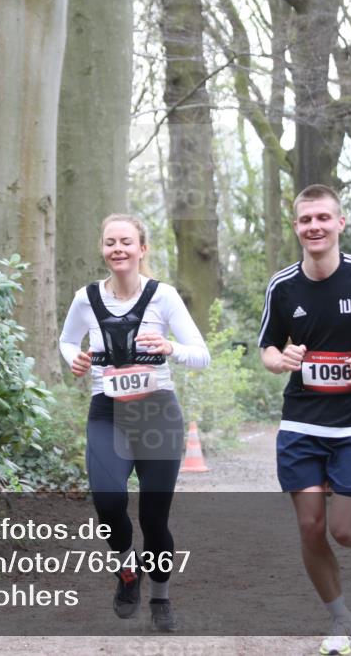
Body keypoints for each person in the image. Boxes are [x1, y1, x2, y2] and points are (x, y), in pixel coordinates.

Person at [258, 184, 351, 655]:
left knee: (343, 529)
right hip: (303, 423)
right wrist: (280, 359)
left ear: (340, 223)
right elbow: (266, 348)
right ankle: (341, 620)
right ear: (296, 227)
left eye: (323, 218)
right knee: (310, 527)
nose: (315, 227)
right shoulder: (282, 286)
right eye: (306, 220)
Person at [58, 214, 209, 632]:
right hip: (107, 412)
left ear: (142, 249)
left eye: (126, 241)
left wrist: (170, 347)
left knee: (154, 519)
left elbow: (201, 353)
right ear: (103, 249)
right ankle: (127, 571)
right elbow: (68, 339)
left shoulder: (164, 297)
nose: (118, 249)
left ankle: (160, 596)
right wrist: (74, 357)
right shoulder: (85, 298)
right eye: (110, 242)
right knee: (108, 504)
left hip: (157, 411)